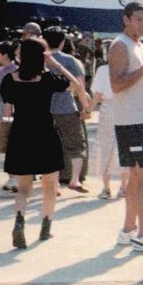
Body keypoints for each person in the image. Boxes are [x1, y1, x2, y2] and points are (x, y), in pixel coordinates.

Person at [0, 37, 86, 248]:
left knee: (23, 188)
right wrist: (55, 65)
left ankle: (19, 220)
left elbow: (7, 104)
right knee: (50, 186)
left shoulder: (9, 79)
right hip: (45, 134)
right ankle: (45, 227)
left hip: (20, 135)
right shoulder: (47, 79)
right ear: (41, 57)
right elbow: (76, 85)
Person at [108, 0, 143, 248]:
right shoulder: (120, 45)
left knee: (139, 177)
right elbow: (117, 85)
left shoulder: (139, 45)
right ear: (126, 19)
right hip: (132, 121)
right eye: (138, 18)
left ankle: (129, 230)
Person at [43, 26, 90, 192]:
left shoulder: (40, 59)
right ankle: (75, 179)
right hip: (67, 108)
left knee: (50, 146)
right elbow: (80, 87)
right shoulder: (70, 61)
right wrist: (86, 107)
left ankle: (54, 184)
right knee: (76, 145)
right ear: (63, 42)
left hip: (45, 110)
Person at [89, 61, 129, 199]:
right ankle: (124, 187)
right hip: (126, 108)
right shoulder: (130, 69)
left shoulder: (103, 70)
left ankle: (106, 188)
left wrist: (88, 108)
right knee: (124, 146)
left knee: (105, 147)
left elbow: (98, 93)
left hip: (108, 108)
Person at [0, 40, 19, 192]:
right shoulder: (13, 69)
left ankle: (14, 178)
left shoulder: (6, 71)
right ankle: (15, 176)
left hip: (8, 109)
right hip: (12, 109)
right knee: (12, 144)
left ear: (4, 55)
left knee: (10, 144)